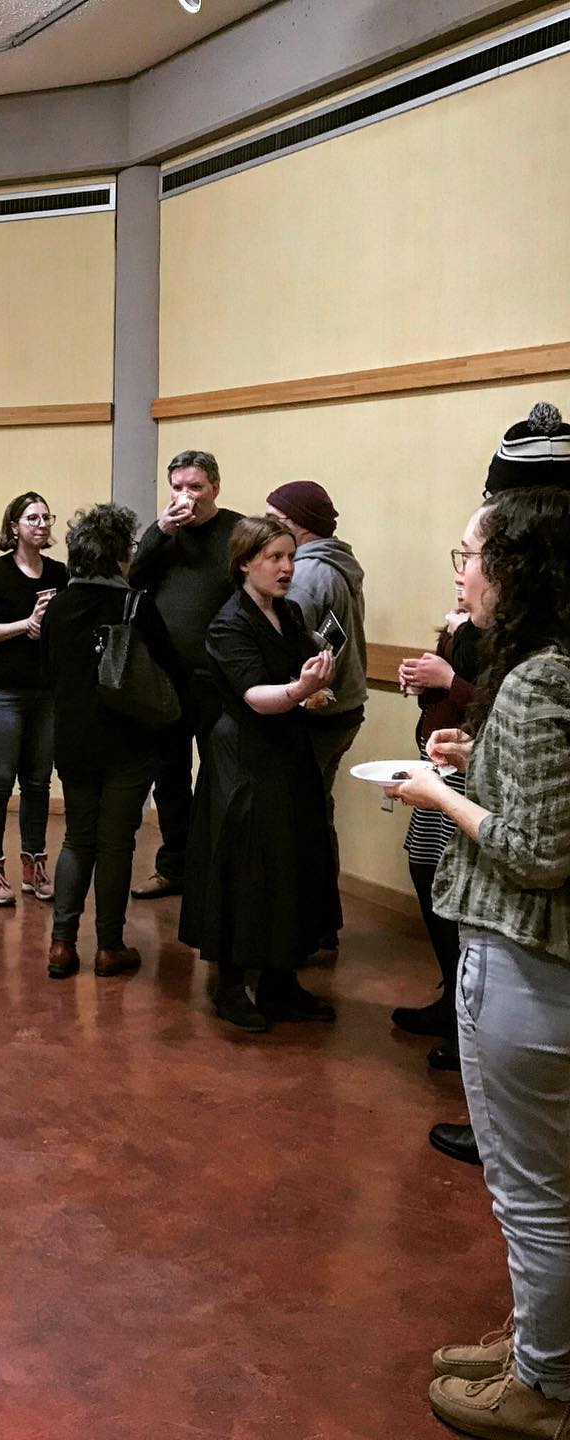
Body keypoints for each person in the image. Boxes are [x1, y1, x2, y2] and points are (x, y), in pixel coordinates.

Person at [386, 487, 570, 1440]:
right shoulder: (548, 666)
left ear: (517, 569)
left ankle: (544, 1387)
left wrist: (438, 795)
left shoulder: (539, 678)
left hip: (527, 960)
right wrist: (474, 765)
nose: (461, 573)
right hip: (544, 965)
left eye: (470, 555)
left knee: (533, 1195)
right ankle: (541, 1351)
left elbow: (537, 852)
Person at [178, 515, 339, 1032]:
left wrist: (314, 687)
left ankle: (280, 982)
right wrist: (300, 690)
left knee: (290, 862)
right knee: (245, 867)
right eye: (275, 558)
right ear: (245, 563)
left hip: (286, 751)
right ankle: (230, 986)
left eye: (291, 557)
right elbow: (255, 696)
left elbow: (297, 678)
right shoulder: (229, 623)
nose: (287, 567)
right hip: (244, 757)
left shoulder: (289, 613)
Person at [40, 505, 185, 980]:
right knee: (117, 843)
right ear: (122, 553)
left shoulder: (58, 607)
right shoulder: (136, 606)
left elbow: (50, 673)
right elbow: (172, 668)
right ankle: (108, 947)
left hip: (73, 741)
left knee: (77, 838)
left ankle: (61, 945)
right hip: (128, 743)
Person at [127, 450, 243, 900]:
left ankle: (217, 870)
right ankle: (174, 865)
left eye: (195, 487)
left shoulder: (237, 531)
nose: (185, 496)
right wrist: (160, 531)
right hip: (165, 679)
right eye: (177, 487)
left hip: (217, 679)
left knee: (220, 776)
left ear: (215, 487)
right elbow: (134, 580)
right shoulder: (163, 534)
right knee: (170, 778)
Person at [265, 480, 366, 960]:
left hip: (318, 714)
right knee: (317, 816)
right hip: (344, 710)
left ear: (297, 526)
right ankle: (323, 924)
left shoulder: (305, 575)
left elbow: (294, 648)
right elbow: (331, 640)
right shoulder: (339, 565)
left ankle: (303, 927)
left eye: (274, 521)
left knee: (296, 823)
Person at [0, 492, 68, 906]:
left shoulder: (59, 573)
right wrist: (27, 623)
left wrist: (51, 624)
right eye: (32, 518)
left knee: (38, 783)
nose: (41, 524)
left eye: (46, 517)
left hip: (45, 693)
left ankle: (34, 866)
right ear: (14, 527)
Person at [391, 599, 478, 1072]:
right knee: (425, 868)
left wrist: (448, 679)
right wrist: (426, 685)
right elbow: (445, 700)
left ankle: (466, 1022)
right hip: (437, 768)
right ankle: (450, 999)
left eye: (469, 565)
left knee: (456, 889)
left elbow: (487, 703)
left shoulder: (516, 636)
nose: (460, 578)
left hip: (468, 776)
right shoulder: (462, 624)